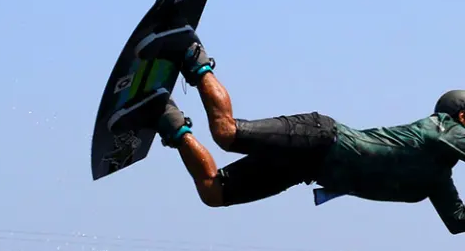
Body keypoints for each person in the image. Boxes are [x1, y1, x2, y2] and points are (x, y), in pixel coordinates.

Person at [110, 24, 465, 234]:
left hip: (305, 168)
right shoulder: (441, 129)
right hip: (320, 137)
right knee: (227, 134)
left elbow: (457, 220)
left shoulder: (436, 176)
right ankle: (190, 54)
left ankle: (166, 118)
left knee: (214, 193)